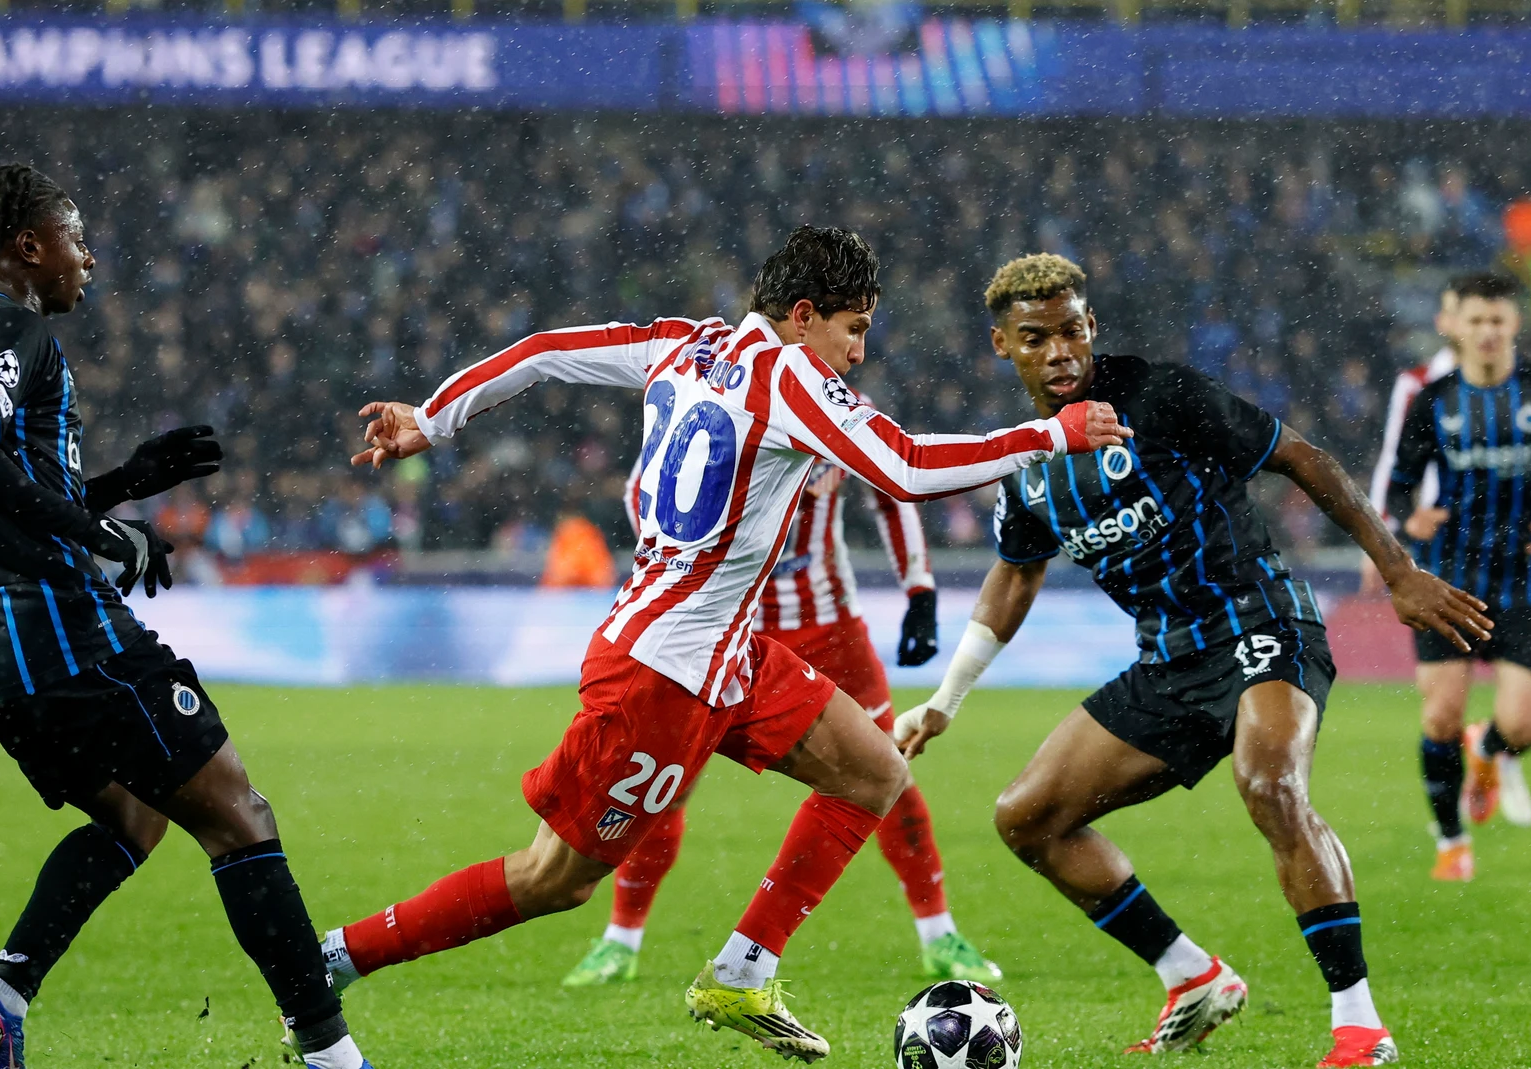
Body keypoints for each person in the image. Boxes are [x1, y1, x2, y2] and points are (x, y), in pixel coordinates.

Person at [338, 226, 1129, 1061]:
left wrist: (432, 417)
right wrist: (1051, 434)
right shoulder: (790, 374)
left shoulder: (682, 343)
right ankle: (333, 959)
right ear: (801, 315)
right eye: (852, 329)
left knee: (875, 770)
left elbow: (543, 350)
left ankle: (742, 971)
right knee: (552, 880)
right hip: (662, 672)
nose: (857, 354)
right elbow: (902, 467)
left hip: (729, 652)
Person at [894, 254, 1490, 1069]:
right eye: (1037, 338)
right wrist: (944, 700)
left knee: (1269, 781)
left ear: (1091, 326)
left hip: (1260, 617)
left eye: (1072, 330)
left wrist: (1397, 572)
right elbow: (1015, 574)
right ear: (1004, 346)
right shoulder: (1026, 466)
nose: (1061, 351)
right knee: (1026, 817)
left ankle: (1360, 1024)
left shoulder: (1159, 396)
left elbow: (1301, 456)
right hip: (1170, 661)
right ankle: (1193, 976)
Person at [0, 164, 369, 1069]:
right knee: (238, 811)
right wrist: (104, 535)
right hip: (40, 618)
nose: (88, 259)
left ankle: (1, 999)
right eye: (75, 239)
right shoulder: (9, 324)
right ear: (29, 246)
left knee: (134, 816)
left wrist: (121, 483)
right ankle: (333, 1058)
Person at [558, 396, 1001, 991]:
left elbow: (892, 491)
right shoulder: (719, 398)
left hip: (830, 632)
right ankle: (620, 940)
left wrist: (919, 589)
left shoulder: (846, 410)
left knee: (888, 772)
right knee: (667, 781)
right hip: (731, 634)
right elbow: (644, 486)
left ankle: (938, 932)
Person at [1386, 271, 1531, 880]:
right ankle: (1451, 843)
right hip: (1451, 577)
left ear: (1513, 324)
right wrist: (1409, 517)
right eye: (1476, 321)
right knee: (1441, 716)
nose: (1488, 332)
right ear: (1454, 326)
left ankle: (1491, 748)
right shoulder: (1435, 398)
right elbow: (1399, 482)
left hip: (1527, 579)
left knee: (1524, 726)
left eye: (1498, 320)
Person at [1360, 284, 1460, 593]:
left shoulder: (1527, 388)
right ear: (1441, 321)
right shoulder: (1417, 385)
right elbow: (1393, 458)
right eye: (1459, 313)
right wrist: (1377, 540)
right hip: (1441, 538)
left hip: (1511, 543)